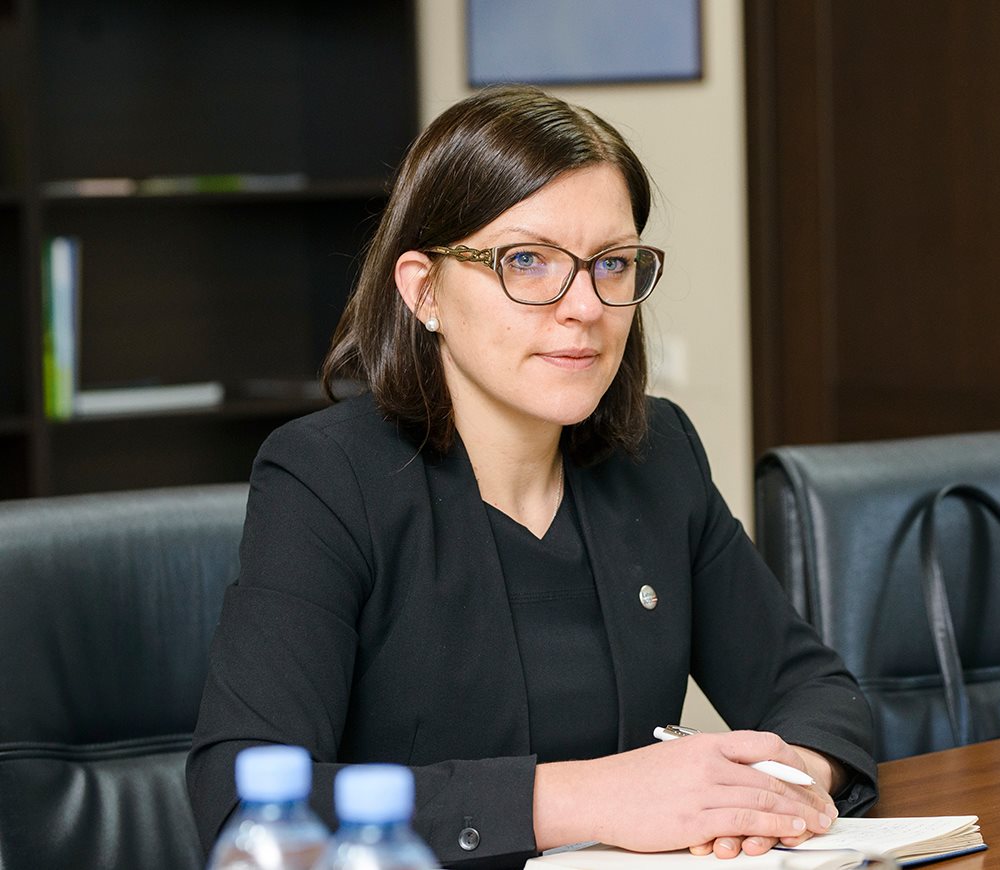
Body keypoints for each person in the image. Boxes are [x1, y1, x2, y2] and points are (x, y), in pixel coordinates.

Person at [187, 85, 877, 869]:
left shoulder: (658, 457)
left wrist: (772, 789)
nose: (584, 306)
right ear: (423, 290)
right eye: (527, 261)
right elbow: (239, 801)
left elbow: (818, 695)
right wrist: (590, 797)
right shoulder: (327, 477)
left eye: (611, 264)